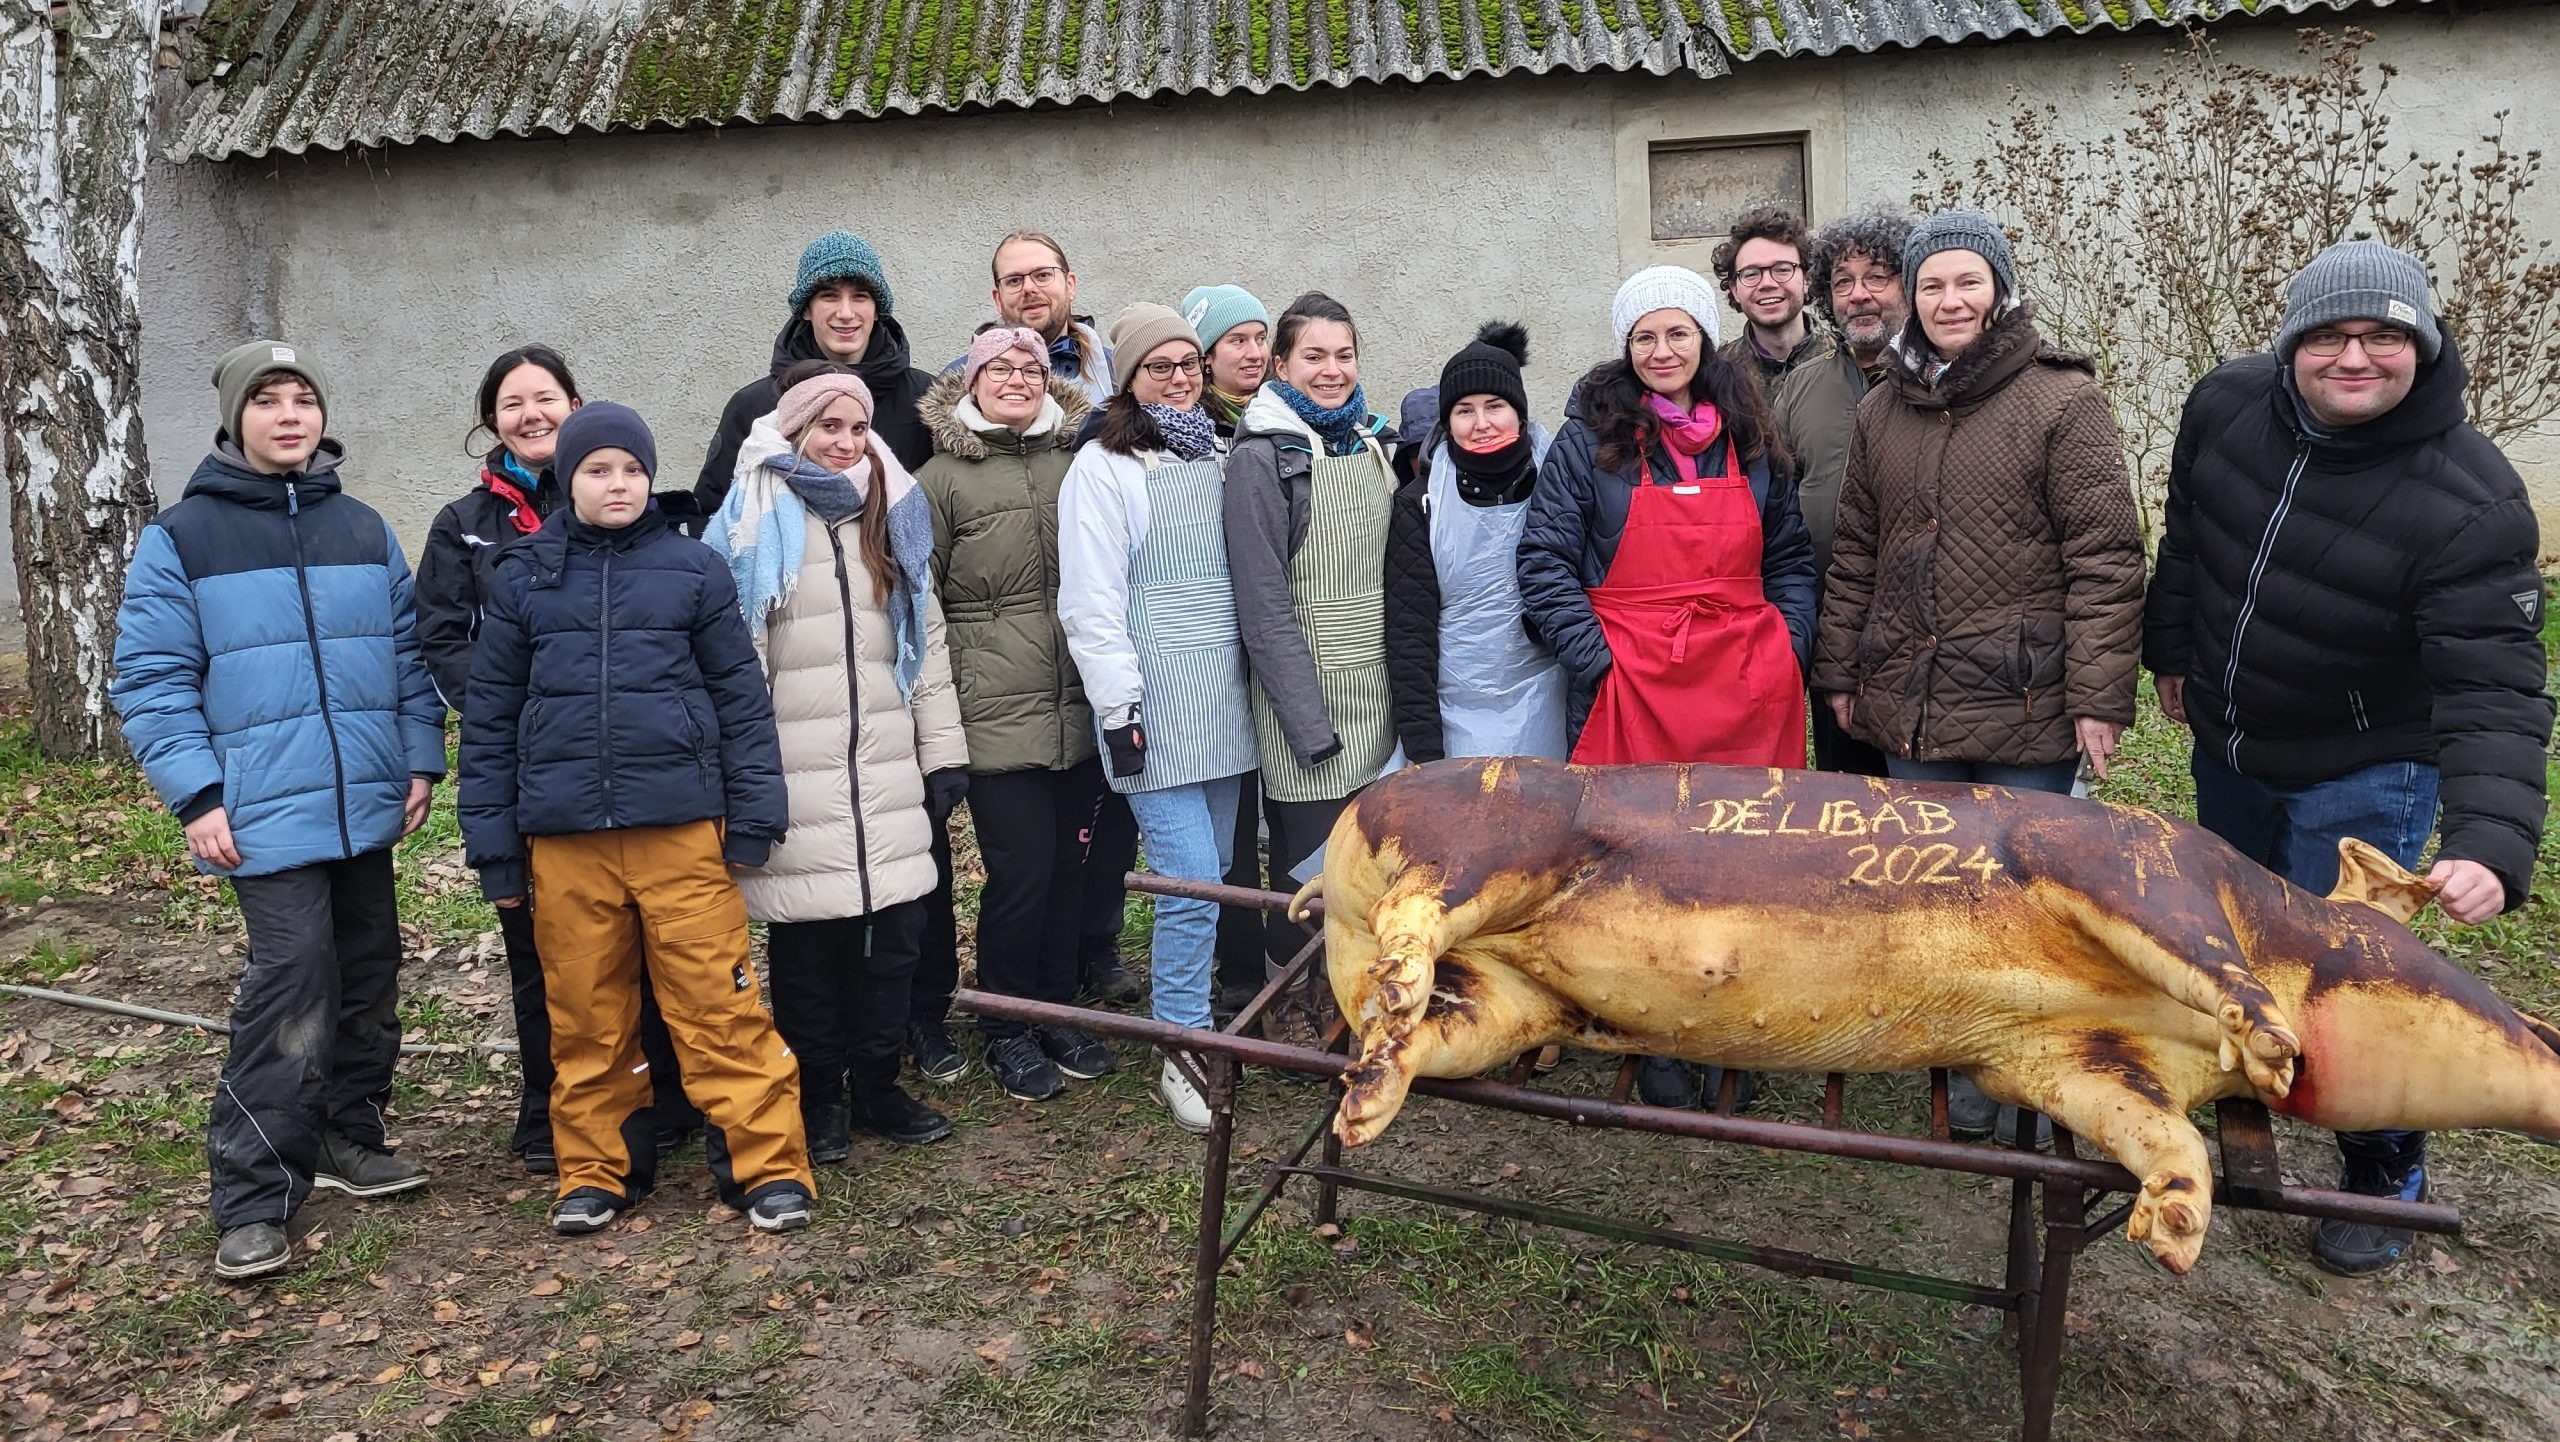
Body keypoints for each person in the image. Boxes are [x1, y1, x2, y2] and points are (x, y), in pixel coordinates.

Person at [2144, 240, 2554, 1276]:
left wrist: (2491, 839)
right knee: (2227, 927)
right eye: (2330, 334)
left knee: (2350, 970)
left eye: (2383, 335)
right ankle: (2244, 1080)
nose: (2355, 356)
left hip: (2367, 764)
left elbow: (2495, 682)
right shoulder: (2225, 405)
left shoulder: (2472, 498)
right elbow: (2189, 535)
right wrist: (2169, 652)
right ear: (2292, 344)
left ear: (2421, 343)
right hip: (2232, 740)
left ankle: (2383, 1164)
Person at [112, 341, 446, 1281]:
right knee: (293, 982)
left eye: (304, 398)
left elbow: (409, 658)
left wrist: (420, 759)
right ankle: (255, 1193)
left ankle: (347, 1134)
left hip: (364, 804)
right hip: (260, 812)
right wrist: (199, 794)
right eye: (268, 399)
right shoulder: (184, 537)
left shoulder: (365, 529)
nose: (290, 414)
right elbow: (150, 679)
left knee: (369, 969)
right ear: (235, 419)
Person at [1812, 210, 2145, 1145]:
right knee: (1932, 892)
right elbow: (1858, 553)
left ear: (1998, 289)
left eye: (1967, 282)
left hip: (2026, 704)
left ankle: (2023, 1079)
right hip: (1913, 707)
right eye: (1932, 286)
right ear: (1911, 301)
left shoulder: (2060, 400)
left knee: (2027, 900)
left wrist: (2097, 699)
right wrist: (1841, 667)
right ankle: (1956, 1072)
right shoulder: (1885, 407)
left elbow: (2107, 557)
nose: (1950, 301)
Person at [461, 401, 814, 1237]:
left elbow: (740, 701)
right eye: (596, 470)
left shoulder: (693, 572)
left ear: (649, 480)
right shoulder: (523, 576)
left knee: (718, 1006)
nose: (616, 484)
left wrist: (756, 813)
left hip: (680, 831)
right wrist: (495, 851)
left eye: (630, 469)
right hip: (566, 842)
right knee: (586, 1014)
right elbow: (491, 718)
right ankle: (596, 1169)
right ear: (567, 478)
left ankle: (767, 1166)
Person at [1517, 268, 1816, 1111]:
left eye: (1677, 332)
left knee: (1741, 862)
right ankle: (1651, 1032)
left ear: (1704, 338)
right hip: (1633, 685)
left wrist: (1787, 647)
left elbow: (1790, 560)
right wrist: (1601, 663)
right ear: (1626, 346)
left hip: (1745, 684)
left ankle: (1734, 1032)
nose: (1661, 351)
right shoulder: (1587, 442)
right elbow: (1542, 565)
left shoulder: (1753, 439)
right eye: (1644, 336)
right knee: (1636, 866)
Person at [416, 345, 698, 1175]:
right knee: (545, 947)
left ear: (576, 405)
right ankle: (551, 1108)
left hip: (633, 761)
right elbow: (444, 638)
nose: (532, 413)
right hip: (534, 762)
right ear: (491, 422)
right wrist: (538, 704)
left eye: (547, 397)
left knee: (650, 942)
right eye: (513, 403)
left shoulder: (640, 513)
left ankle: (666, 1096)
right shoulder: (465, 524)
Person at [703, 365, 972, 1157]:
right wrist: (747, 779)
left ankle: (879, 1087)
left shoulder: (892, 511)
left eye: (858, 429)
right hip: (797, 773)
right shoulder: (753, 522)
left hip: (886, 769)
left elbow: (928, 646)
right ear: (793, 432)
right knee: (809, 949)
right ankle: (819, 1096)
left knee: (895, 942)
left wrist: (942, 753)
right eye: (829, 428)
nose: (846, 443)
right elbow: (736, 667)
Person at [1060, 303, 1263, 1127]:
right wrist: (1119, 706)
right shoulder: (1102, 469)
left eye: (1188, 363)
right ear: (1129, 379)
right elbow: (1091, 601)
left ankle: (1203, 1032)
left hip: (1224, 693)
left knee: (1219, 875)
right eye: (1159, 367)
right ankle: (1183, 1051)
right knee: (1190, 883)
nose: (1178, 378)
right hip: (1153, 699)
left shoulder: (1223, 451)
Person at [914, 330, 1124, 1103]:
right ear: (971, 382)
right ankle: (1005, 1022)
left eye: (1031, 368)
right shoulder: (939, 479)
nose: (1017, 379)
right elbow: (920, 604)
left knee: (1072, 867)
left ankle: (1056, 1011)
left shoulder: (1081, 466)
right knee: (1022, 870)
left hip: (1076, 700)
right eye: (999, 368)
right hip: (993, 709)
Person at [1224, 292, 1398, 1048]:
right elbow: (1262, 608)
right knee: (1310, 880)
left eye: (1344, 354)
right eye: (1314, 356)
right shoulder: (1264, 458)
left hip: (1382, 691)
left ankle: (1375, 1011)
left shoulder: (1376, 442)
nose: (1332, 371)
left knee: (1377, 871)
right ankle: (1306, 1016)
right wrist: (1308, 726)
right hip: (1310, 699)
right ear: (1282, 365)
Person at [1386, 321, 1567, 764]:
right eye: (1464, 410)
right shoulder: (1421, 504)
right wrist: (1426, 756)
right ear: (1447, 422)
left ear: (1519, 413)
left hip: (1551, 707)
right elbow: (1410, 637)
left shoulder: (1562, 485)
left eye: (1495, 406)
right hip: (1458, 719)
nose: (1482, 424)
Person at [1779, 206, 1914, 778]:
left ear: (1909, 284)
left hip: (1926, 643)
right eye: (1843, 282)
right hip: (1835, 638)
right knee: (1849, 804)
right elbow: (1777, 509)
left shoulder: (1942, 380)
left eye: (1876, 278)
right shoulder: (1802, 384)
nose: (1859, 295)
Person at [1180, 283, 1277, 1018]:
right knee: (1235, 820)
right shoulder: (1191, 435)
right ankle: (1240, 965)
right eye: (1234, 341)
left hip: (1279, 638)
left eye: (1258, 337)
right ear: (1205, 356)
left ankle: (1294, 953)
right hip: (1216, 649)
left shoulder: (1281, 420)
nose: (1251, 352)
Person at [696, 230, 935, 510]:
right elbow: (712, 512)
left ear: (876, 309)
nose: (846, 313)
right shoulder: (753, 406)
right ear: (806, 309)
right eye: (829, 296)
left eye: (860, 297)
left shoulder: (926, 399)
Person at [947, 232, 1115, 405]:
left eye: (1042, 275)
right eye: (1014, 280)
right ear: (998, 298)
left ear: (1069, 285)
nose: (1028, 288)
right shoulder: (956, 382)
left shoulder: (1118, 372)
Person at [1713, 206, 1824, 393]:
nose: (1767, 283)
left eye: (1782, 269)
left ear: (1807, 279)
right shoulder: (1717, 375)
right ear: (1734, 290)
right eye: (1751, 274)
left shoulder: (1847, 363)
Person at [1183, 284, 1272, 444]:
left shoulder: (1290, 408)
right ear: (1206, 355)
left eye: (1260, 339)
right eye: (1239, 341)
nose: (1255, 354)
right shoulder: (1189, 425)